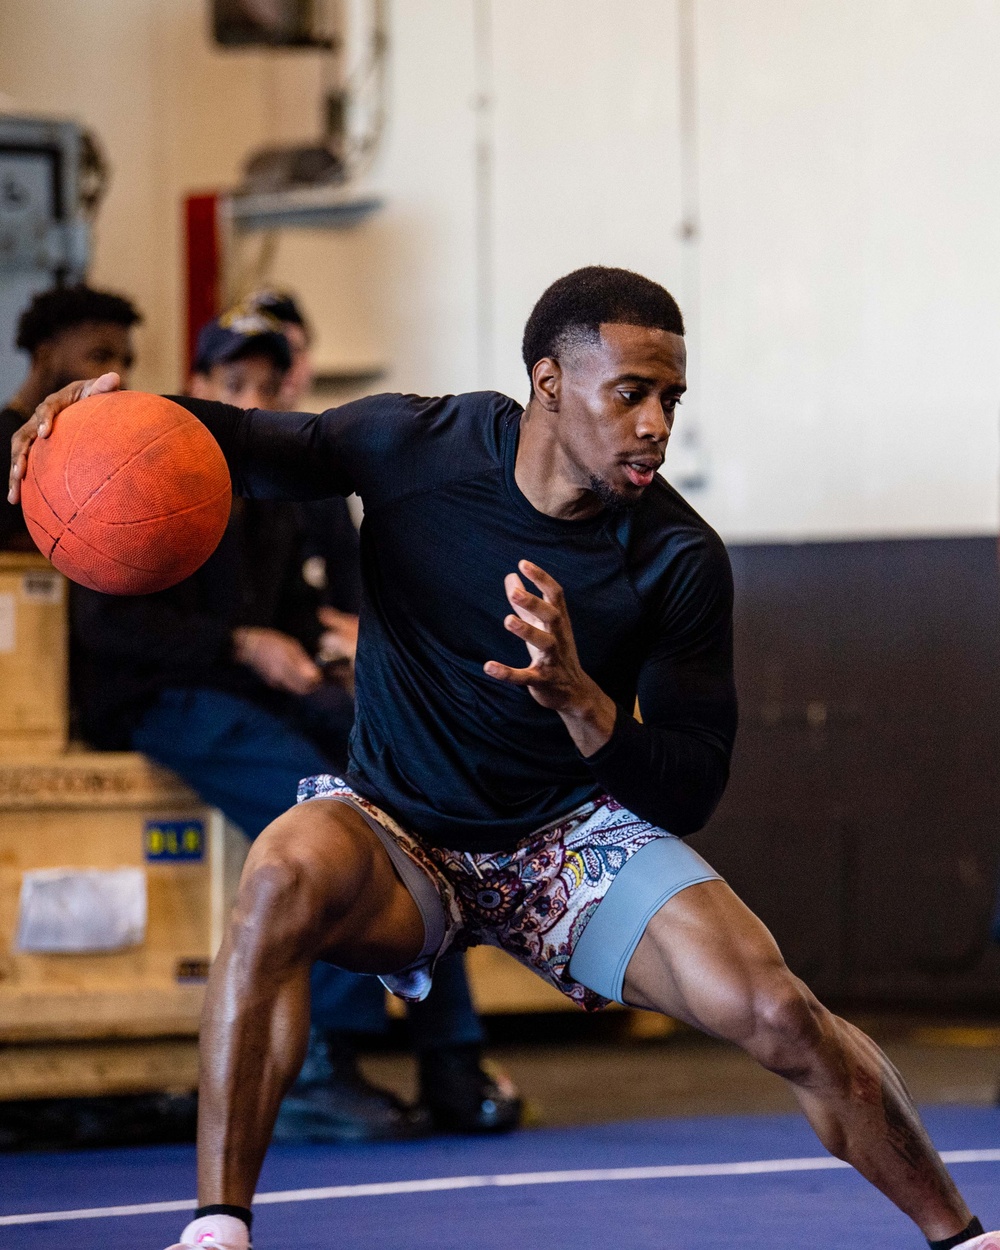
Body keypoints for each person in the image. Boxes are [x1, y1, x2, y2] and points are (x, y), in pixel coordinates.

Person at [9, 266, 996, 1250]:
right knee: (276, 878)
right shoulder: (418, 444)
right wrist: (92, 418)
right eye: (631, 393)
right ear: (549, 383)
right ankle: (219, 1227)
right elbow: (246, 441)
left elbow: (691, 784)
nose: (656, 422)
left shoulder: (676, 557)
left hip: (565, 844)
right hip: (398, 829)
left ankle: (959, 1236)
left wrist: (586, 705)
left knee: (779, 1010)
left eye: (670, 399)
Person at [70, 308, 518, 1143]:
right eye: (233, 382)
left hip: (249, 688)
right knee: (330, 824)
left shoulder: (272, 496)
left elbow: (294, 614)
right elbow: (109, 629)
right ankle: (319, 1066)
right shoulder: (134, 471)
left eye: (266, 384)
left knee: (407, 794)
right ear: (199, 387)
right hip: (162, 697)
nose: (253, 396)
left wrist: (332, 654)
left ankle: (449, 1054)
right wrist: (240, 642)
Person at [0, 284, 140, 551]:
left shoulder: (103, 450)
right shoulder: (4, 442)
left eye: (127, 361)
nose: (119, 375)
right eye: (101, 356)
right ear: (45, 357)